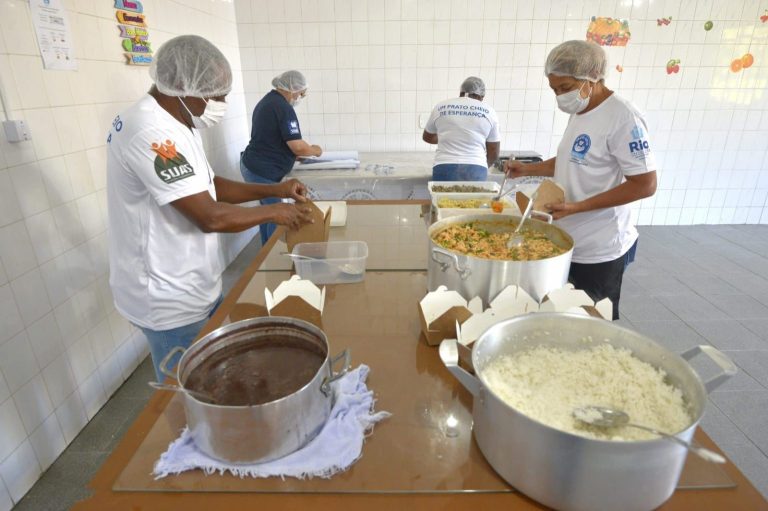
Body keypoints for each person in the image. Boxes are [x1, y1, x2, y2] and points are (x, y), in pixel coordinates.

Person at [106, 35, 314, 381]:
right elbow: (209, 215)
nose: (221, 103)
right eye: (216, 96)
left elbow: (209, 186)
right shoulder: (151, 133)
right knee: (192, 394)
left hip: (193, 282)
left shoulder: (176, 123)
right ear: (186, 89)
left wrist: (276, 189)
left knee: (218, 376)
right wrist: (275, 211)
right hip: (167, 295)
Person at [505, 40, 657, 320]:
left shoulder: (623, 117)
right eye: (554, 90)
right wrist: (526, 170)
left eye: (565, 88)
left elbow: (645, 184)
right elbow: (570, 161)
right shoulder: (580, 111)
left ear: (592, 78)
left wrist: (578, 207)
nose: (560, 96)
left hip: (600, 247)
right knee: (563, 316)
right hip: (566, 239)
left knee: (591, 323)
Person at [240, 70, 323, 244]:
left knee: (266, 214)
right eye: (301, 93)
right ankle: (272, 254)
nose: (301, 96)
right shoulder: (283, 108)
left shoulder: (269, 102)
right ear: (292, 89)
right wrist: (315, 150)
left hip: (255, 165)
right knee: (276, 215)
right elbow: (298, 146)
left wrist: (290, 155)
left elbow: (273, 139)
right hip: (262, 170)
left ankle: (265, 251)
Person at [422, 76, 501, 181]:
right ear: (482, 96)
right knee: (474, 198)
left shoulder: (441, 107)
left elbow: (427, 137)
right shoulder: (490, 112)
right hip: (476, 168)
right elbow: (494, 152)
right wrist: (481, 165)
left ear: (461, 92)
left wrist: (448, 137)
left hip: (444, 167)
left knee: (443, 198)